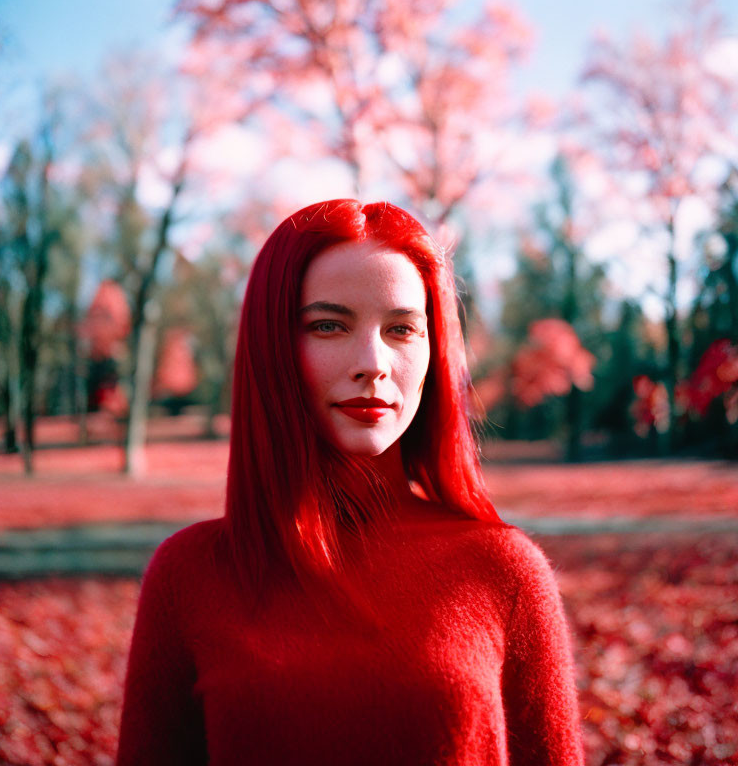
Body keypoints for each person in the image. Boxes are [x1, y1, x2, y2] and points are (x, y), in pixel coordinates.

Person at [116, 199, 585, 766]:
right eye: (329, 325)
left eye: (402, 328)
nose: (373, 362)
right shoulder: (188, 574)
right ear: (273, 347)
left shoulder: (505, 570)